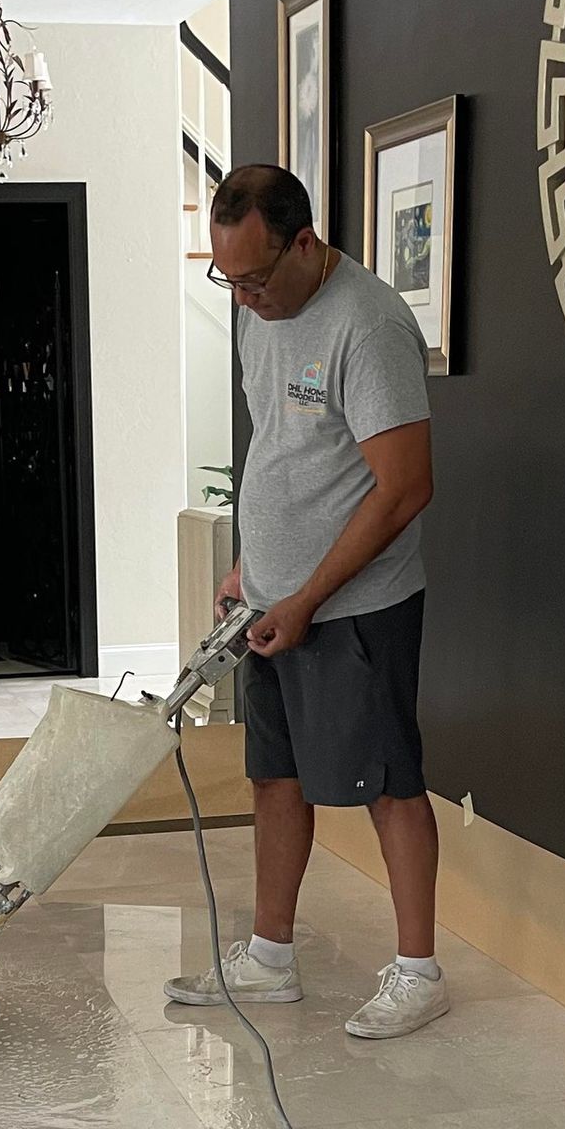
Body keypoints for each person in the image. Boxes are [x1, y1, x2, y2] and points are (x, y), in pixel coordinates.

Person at [165, 164, 445, 1039]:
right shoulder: (263, 319)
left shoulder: (367, 325)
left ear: (306, 244)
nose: (244, 299)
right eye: (228, 280)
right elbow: (281, 453)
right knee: (274, 776)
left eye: (255, 278)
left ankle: (418, 971)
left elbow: (404, 489)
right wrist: (253, 568)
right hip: (275, 603)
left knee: (389, 782)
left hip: (358, 607)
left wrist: (311, 596)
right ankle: (270, 957)